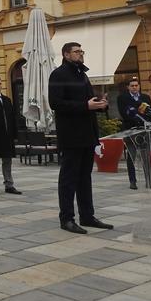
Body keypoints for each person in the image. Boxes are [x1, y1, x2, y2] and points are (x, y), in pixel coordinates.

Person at [49, 42, 113, 234]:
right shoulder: (58, 74)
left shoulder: (82, 74)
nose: (80, 54)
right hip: (71, 135)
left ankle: (87, 215)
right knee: (68, 179)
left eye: (81, 51)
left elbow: (89, 102)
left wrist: (101, 105)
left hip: (87, 134)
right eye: (77, 52)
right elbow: (56, 103)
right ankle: (66, 218)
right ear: (66, 55)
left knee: (85, 177)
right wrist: (85, 106)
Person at [117, 78, 151, 190]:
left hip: (145, 132)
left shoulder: (145, 98)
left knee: (147, 157)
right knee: (132, 157)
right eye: (132, 85)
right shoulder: (122, 98)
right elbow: (124, 114)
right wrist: (138, 117)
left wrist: (150, 116)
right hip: (131, 131)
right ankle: (133, 181)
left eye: (136, 85)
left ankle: (150, 181)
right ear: (128, 87)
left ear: (139, 86)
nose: (135, 87)